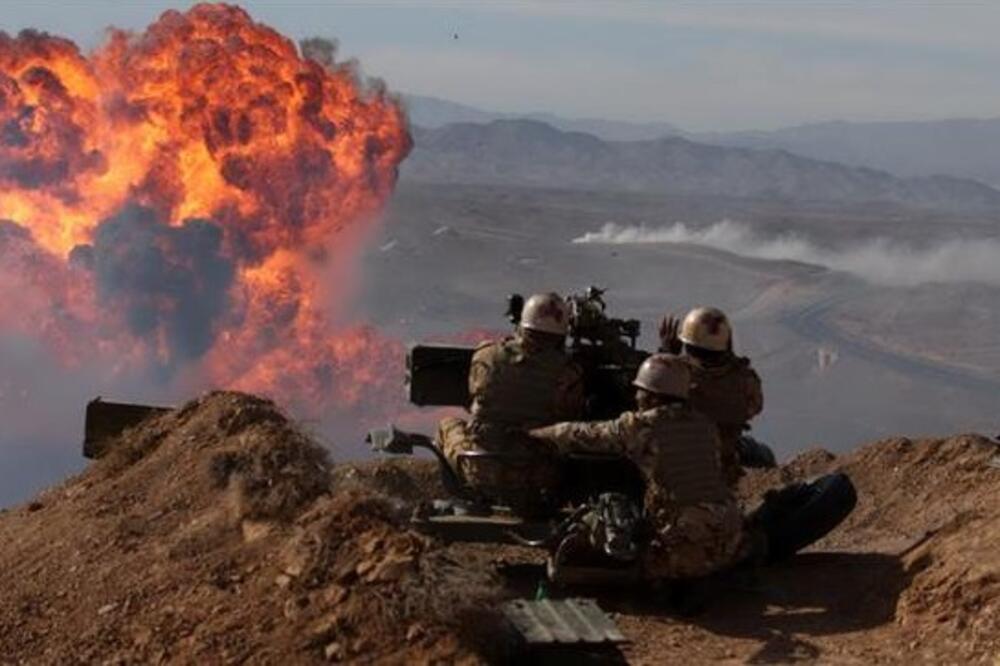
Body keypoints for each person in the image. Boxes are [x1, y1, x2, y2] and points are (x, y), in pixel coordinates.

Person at [530, 354, 746, 580]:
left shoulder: (643, 426)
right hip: (729, 543)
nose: (636, 396)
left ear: (653, 396)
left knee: (601, 517)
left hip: (682, 554)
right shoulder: (706, 425)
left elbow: (582, 435)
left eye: (640, 391)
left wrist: (536, 434)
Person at [436, 292, 584, 510]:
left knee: (447, 424)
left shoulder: (487, 355)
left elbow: (475, 398)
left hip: (480, 468)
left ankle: (465, 498)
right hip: (538, 477)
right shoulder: (569, 372)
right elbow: (571, 416)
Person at [660, 307, 763, 485]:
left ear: (688, 346)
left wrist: (667, 356)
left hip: (681, 462)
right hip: (724, 458)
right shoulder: (746, 379)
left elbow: (655, 402)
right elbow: (755, 407)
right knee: (762, 455)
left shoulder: (677, 377)